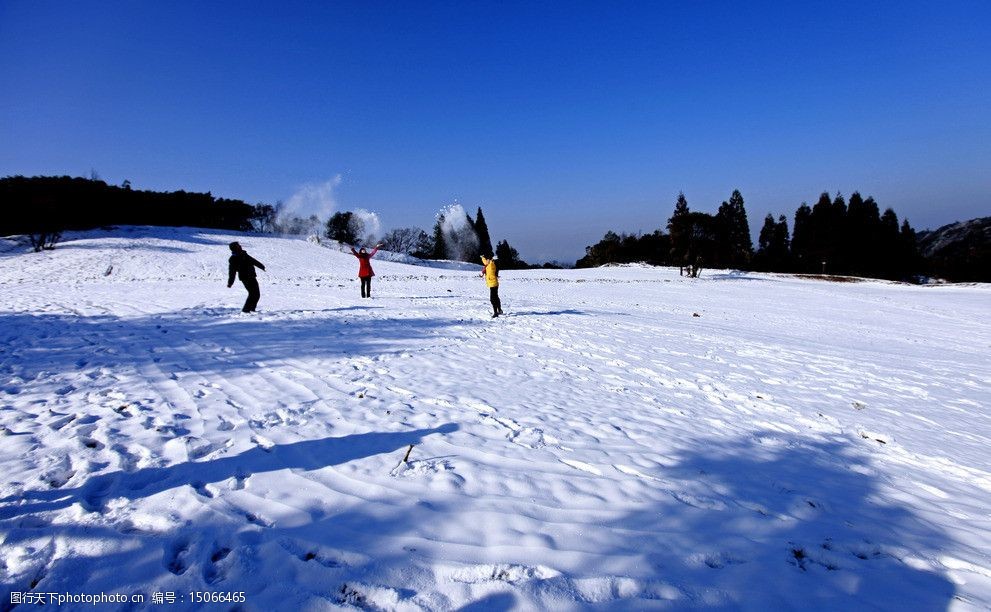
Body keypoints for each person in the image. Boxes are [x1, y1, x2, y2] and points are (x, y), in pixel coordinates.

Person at [227, 241, 266, 312]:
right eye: (238, 245)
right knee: (253, 294)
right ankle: (246, 310)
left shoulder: (244, 254)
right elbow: (232, 272)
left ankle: (251, 309)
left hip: (252, 276)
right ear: (235, 248)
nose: (240, 246)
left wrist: (261, 266)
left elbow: (253, 261)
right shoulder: (233, 259)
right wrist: (230, 282)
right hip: (245, 278)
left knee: (256, 294)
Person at [480, 253, 503, 317]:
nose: (487, 260)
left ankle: (496, 313)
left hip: (493, 283)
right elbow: (485, 262)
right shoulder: (488, 263)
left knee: (492, 299)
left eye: (488, 259)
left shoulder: (492, 264)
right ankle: (499, 310)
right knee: (496, 297)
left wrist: (494, 259)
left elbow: (493, 261)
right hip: (492, 283)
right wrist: (482, 257)